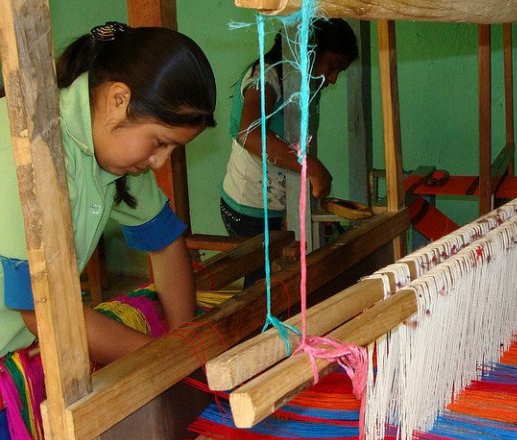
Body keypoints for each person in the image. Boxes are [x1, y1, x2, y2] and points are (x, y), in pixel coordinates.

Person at [0, 22, 217, 366]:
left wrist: (184, 340)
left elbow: (164, 242)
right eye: (160, 143)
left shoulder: (116, 146)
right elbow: (43, 311)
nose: (159, 161)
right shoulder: (31, 150)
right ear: (119, 99)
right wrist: (167, 362)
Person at [219, 18, 358, 286]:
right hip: (248, 209)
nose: (332, 78)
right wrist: (312, 167)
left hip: (277, 207)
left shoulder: (303, 84)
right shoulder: (266, 77)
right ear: (310, 50)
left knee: (280, 283)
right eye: (332, 66)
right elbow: (250, 133)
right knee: (265, 290)